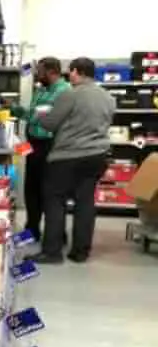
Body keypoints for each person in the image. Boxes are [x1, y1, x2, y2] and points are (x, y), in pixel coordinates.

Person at [36, 57, 115, 263]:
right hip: (97, 156)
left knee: (55, 201)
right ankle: (80, 252)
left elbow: (50, 124)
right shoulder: (108, 97)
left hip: (68, 157)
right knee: (85, 202)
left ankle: (52, 252)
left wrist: (40, 113)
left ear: (76, 71)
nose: (68, 75)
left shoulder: (69, 94)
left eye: (70, 72)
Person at [8, 57, 69, 242]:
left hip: (51, 145)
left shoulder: (64, 91)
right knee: (32, 189)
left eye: (40, 71)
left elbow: (39, 115)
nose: (37, 75)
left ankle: (57, 233)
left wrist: (24, 113)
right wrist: (15, 110)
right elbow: (33, 113)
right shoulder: (42, 89)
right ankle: (32, 229)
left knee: (50, 192)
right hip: (34, 145)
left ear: (51, 71)